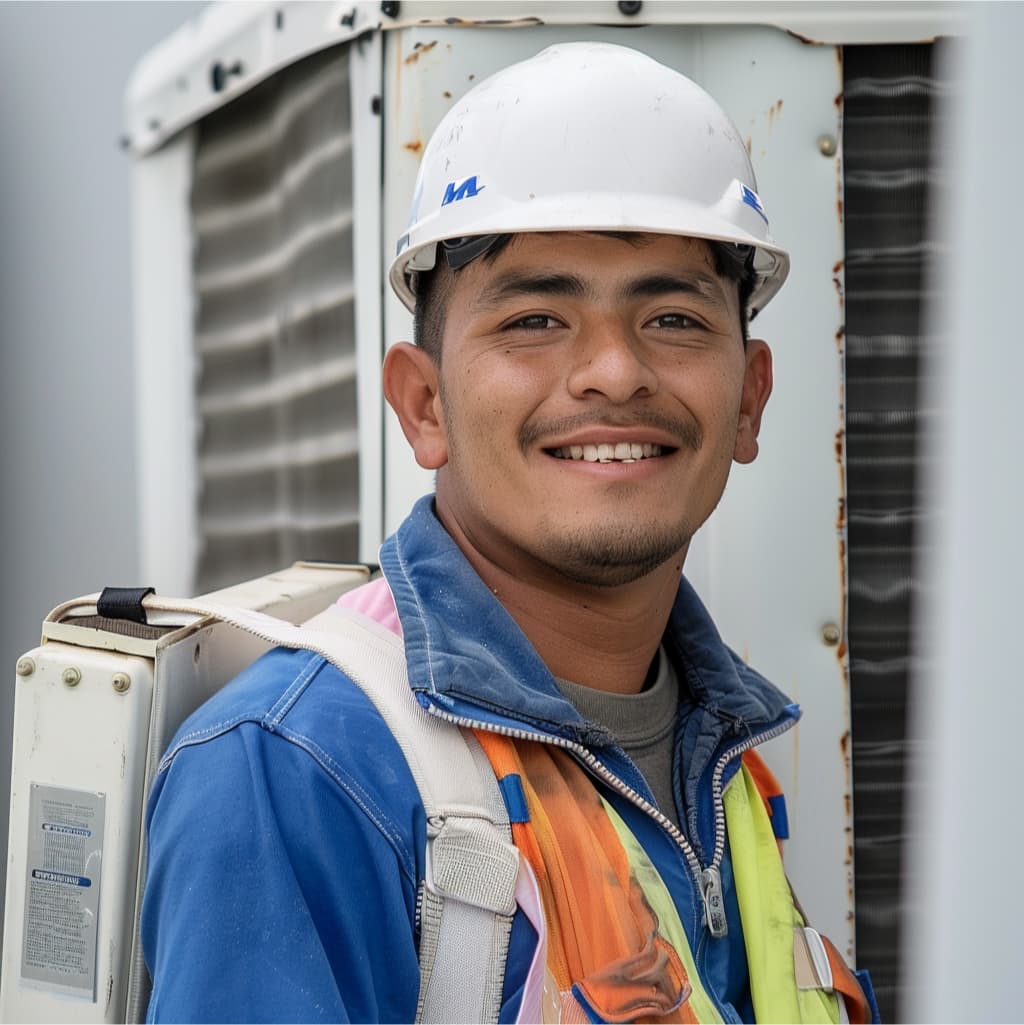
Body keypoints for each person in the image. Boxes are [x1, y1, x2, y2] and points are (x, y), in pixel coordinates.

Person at [141, 41, 877, 1024]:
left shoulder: (720, 749)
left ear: (749, 400)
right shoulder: (300, 770)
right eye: (535, 318)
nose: (613, 371)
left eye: (671, 317)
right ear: (423, 403)